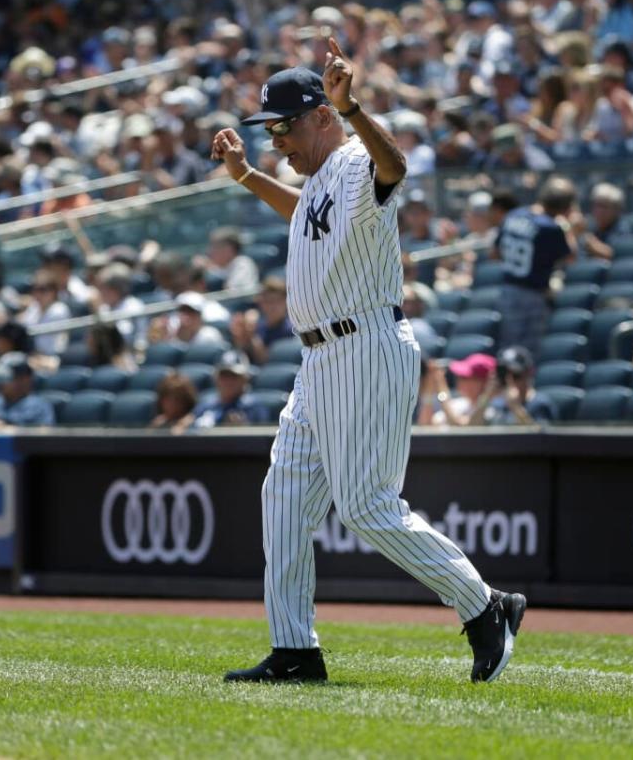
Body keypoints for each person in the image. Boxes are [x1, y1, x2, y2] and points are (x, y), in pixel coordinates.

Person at [210, 44, 524, 685]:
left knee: (367, 508)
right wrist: (246, 175)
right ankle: (295, 649)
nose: (277, 141)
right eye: (269, 131)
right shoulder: (319, 181)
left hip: (364, 347)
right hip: (318, 359)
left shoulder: (353, 158)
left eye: (284, 127)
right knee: (285, 497)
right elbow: (305, 217)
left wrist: (354, 107)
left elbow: (394, 164)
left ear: (322, 116)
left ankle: (485, 606)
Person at [494, 176, 576, 354]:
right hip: (531, 297)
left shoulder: (514, 215)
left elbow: (495, 252)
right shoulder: (551, 228)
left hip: (507, 290)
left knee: (508, 347)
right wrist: (566, 226)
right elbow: (571, 256)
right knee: (526, 354)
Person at [469, 346, 558, 426]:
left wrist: (516, 407)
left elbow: (541, 440)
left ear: (528, 373)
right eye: (505, 375)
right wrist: (487, 397)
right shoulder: (497, 404)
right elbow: (471, 431)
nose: (510, 381)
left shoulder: (540, 404)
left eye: (515, 376)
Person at [191, 351, 269, 427]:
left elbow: (261, 437)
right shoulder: (206, 405)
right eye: (224, 376)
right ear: (216, 379)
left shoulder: (253, 407)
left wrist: (242, 429)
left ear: (244, 379)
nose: (228, 382)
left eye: (233, 376)